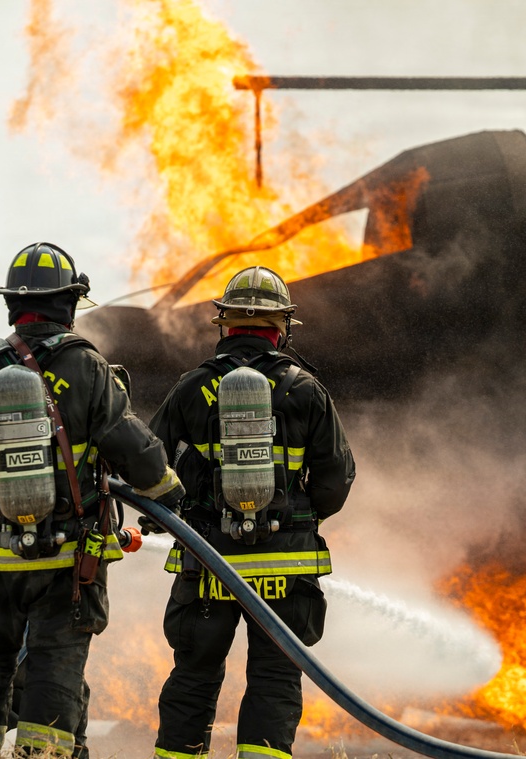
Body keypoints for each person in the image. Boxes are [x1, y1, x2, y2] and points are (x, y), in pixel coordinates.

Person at [0, 242, 183, 758]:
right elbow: (129, 446)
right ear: (69, 302)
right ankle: (46, 752)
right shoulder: (85, 367)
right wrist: (170, 496)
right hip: (64, 559)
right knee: (54, 664)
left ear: (13, 304)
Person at [150, 265, 355, 759]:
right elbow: (336, 480)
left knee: (195, 675)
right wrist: (300, 519)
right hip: (285, 567)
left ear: (224, 324)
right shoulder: (306, 390)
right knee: (275, 676)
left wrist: (178, 516)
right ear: (281, 327)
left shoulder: (190, 388)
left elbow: (148, 466)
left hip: (207, 563)